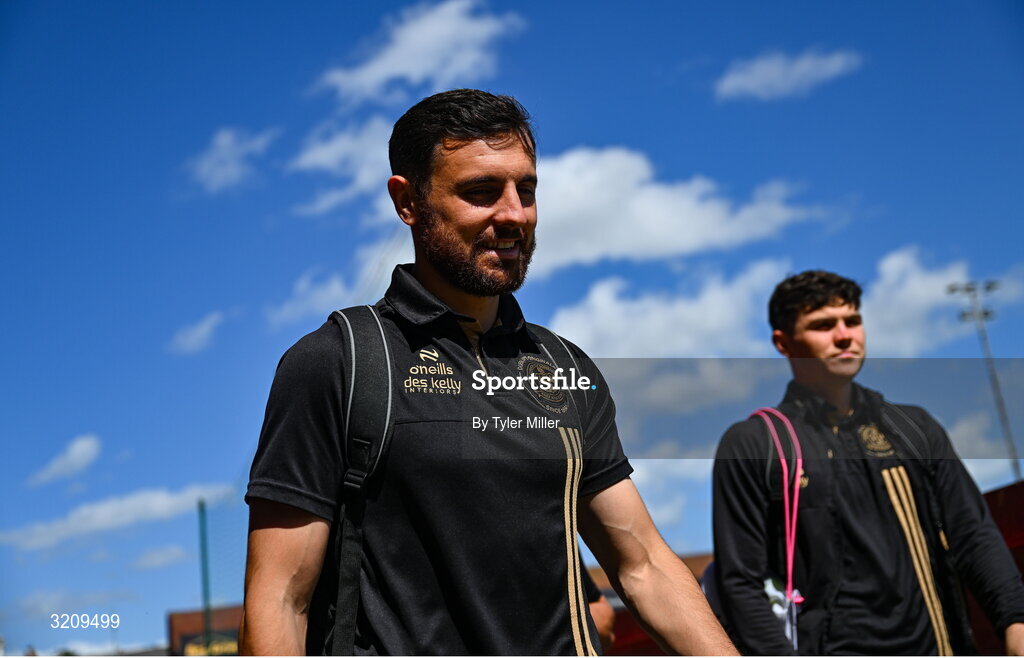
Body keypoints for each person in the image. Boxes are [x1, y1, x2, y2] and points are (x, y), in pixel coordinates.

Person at [240, 89, 735, 656]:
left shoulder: (564, 367)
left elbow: (642, 562)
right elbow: (279, 599)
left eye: (525, 190)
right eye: (480, 192)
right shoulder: (338, 361)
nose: (512, 214)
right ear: (407, 202)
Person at [711, 269, 1024, 655]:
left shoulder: (914, 427)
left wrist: (1016, 621)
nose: (844, 335)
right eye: (823, 325)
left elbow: (973, 534)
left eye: (853, 320)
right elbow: (740, 583)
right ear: (784, 342)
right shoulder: (754, 443)